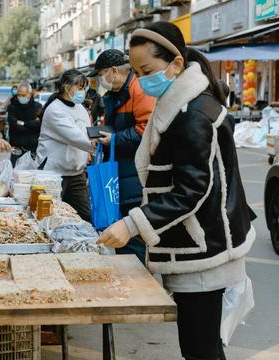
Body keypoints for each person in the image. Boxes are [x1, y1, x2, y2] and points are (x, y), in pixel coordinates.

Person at [97, 22, 255, 360]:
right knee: (205, 348)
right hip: (193, 244)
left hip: (203, 251)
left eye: (147, 70)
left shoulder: (193, 113)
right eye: (136, 72)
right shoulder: (175, 103)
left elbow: (192, 190)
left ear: (176, 64)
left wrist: (132, 224)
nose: (140, 80)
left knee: (200, 350)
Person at [89, 48, 156, 264]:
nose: (100, 80)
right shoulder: (115, 94)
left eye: (101, 75)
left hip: (134, 175)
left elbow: (146, 129)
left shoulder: (139, 90)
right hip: (120, 173)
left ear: (114, 71)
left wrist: (114, 139)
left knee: (133, 237)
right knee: (120, 233)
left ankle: (138, 284)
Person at [36, 70, 95, 221]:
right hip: (53, 174)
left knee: (85, 217)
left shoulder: (80, 108)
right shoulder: (54, 110)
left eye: (83, 88)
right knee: (50, 218)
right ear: (66, 87)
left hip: (76, 174)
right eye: (79, 87)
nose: (82, 92)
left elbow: (89, 133)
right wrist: (99, 144)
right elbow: (76, 137)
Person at [7, 83, 42, 160]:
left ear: (29, 94)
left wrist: (23, 123)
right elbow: (15, 126)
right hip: (17, 148)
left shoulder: (37, 107)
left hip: (33, 149)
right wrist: (32, 125)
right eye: (18, 95)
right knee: (15, 170)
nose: (20, 97)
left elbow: (39, 125)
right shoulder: (12, 107)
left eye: (23, 95)